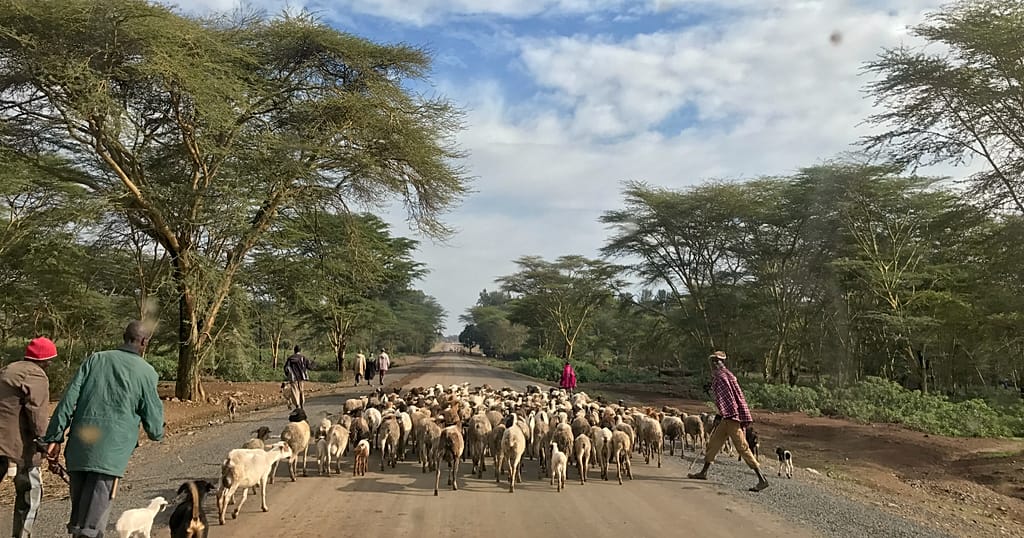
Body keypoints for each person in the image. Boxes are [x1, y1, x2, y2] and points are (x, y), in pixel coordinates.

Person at [43, 321, 164, 538]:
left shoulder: (95, 359)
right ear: (144, 342)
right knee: (92, 524)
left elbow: (68, 400)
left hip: (79, 448)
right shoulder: (146, 372)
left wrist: (54, 437)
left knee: (80, 518)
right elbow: (155, 427)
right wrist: (157, 431)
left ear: (123, 336)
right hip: (110, 456)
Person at [687, 350, 769, 492]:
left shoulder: (722, 377)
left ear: (720, 362)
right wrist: (722, 414)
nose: (715, 363)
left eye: (717, 361)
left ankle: (762, 479)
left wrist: (726, 413)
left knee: (742, 447)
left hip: (732, 418)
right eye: (714, 361)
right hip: (727, 417)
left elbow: (729, 400)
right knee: (713, 443)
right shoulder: (726, 375)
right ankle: (703, 473)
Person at [0, 337, 57, 538]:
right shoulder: (35, 374)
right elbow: (37, 413)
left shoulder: (9, 369)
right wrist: (45, 440)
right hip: (17, 448)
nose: (50, 364)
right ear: (45, 360)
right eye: (50, 360)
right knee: (30, 493)